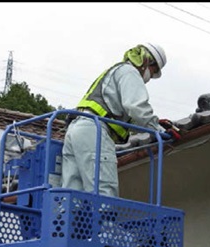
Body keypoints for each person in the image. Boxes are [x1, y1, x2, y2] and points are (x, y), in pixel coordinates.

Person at [61, 43, 171, 198]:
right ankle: (103, 222)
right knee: (104, 191)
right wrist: (159, 130)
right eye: (153, 72)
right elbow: (136, 107)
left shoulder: (115, 71)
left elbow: (123, 116)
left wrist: (155, 123)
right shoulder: (130, 72)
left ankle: (68, 221)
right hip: (95, 131)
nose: (150, 77)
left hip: (76, 129)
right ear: (147, 61)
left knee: (72, 193)